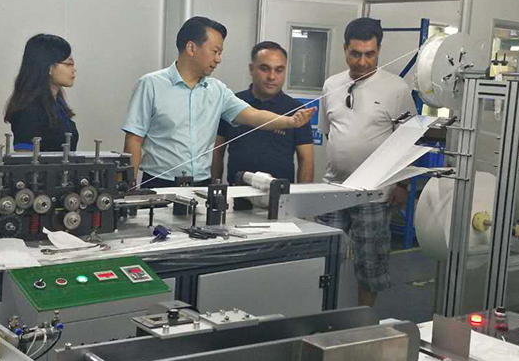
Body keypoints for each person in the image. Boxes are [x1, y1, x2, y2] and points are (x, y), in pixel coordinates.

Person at [122, 17, 314, 188]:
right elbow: (134, 139)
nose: (218, 59)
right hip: (158, 183)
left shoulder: (217, 90)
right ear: (191, 48)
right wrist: (128, 188)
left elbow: (254, 115)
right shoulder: (151, 84)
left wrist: (289, 121)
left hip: (201, 186)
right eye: (215, 51)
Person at [317, 17, 416, 307]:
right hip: (333, 189)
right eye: (355, 54)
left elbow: (409, 141)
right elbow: (328, 133)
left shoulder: (396, 89)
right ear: (344, 49)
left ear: (379, 50)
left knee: (370, 266)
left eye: (370, 54)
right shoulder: (331, 85)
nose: (362, 62)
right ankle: (326, 316)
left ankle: (362, 320)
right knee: (324, 262)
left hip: (375, 194)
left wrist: (403, 186)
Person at [211, 41, 314, 184]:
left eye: (279, 70)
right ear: (251, 69)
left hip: (279, 193)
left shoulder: (297, 110)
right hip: (237, 193)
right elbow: (217, 152)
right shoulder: (232, 104)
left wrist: (303, 195)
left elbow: (306, 161)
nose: (272, 76)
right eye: (264, 69)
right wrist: (214, 188)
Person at [4, 34, 78, 152]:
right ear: (48, 67)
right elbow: (25, 159)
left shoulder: (58, 103)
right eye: (68, 64)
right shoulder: (28, 110)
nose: (73, 69)